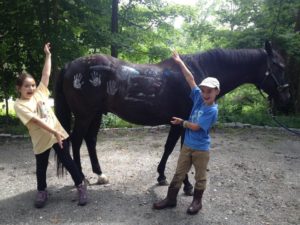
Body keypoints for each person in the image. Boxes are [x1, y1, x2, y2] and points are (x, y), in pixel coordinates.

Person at [14, 43, 87, 208]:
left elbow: (45, 75)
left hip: (56, 134)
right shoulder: (19, 105)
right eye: (26, 86)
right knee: (41, 166)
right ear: (19, 88)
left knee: (67, 161)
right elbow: (36, 121)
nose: (31, 88)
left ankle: (81, 186)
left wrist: (48, 56)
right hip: (43, 138)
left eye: (32, 85)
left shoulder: (39, 93)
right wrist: (54, 132)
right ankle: (42, 191)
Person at [153, 51, 220, 215]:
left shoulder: (212, 110)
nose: (205, 94)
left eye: (209, 92)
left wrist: (182, 122)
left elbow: (196, 127)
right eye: (204, 90)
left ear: (216, 92)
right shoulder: (198, 98)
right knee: (179, 173)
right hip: (188, 146)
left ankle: (197, 202)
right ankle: (171, 198)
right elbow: (190, 79)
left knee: (200, 176)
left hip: (201, 149)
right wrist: (179, 62)